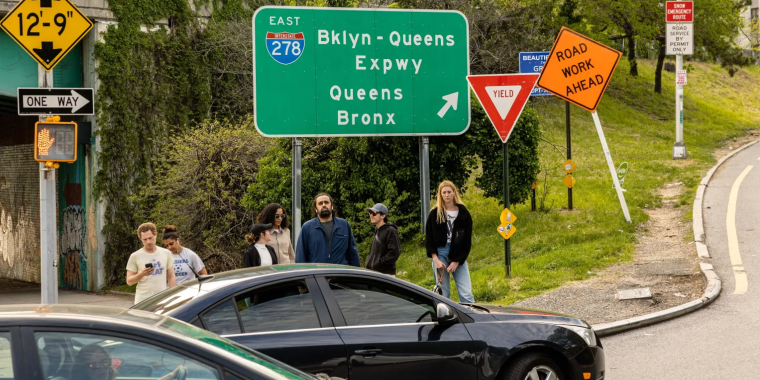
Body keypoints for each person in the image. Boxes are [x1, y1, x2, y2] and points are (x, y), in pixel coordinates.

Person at [425, 180, 474, 303]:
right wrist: (435, 259)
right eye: (444, 193)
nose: (446, 195)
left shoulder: (464, 213)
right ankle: (445, 317)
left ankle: (472, 318)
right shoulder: (435, 214)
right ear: (440, 195)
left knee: (466, 293)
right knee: (443, 294)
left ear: (454, 193)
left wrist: (457, 260)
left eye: (449, 192)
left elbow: (466, 240)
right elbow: (429, 239)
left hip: (458, 253)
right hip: (440, 253)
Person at [296, 193, 360, 266]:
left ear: (331, 206)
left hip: (341, 274)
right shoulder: (307, 227)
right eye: (320, 203)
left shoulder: (344, 225)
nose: (324, 205)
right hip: (317, 275)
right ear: (315, 209)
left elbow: (353, 254)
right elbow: (300, 257)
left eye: (326, 202)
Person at [126, 222, 176, 304]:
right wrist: (141, 274)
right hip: (142, 300)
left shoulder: (166, 253)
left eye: (150, 238)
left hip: (161, 299)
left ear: (155, 235)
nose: (148, 242)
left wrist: (172, 294)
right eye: (145, 240)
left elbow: (171, 276)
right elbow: (129, 281)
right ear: (141, 239)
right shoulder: (135, 256)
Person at [365, 203, 401, 276]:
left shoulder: (390, 230)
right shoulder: (377, 231)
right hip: (375, 273)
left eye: (374, 213)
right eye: (370, 213)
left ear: (383, 215)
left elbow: (394, 253)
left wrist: (379, 263)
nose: (371, 215)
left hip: (385, 275)